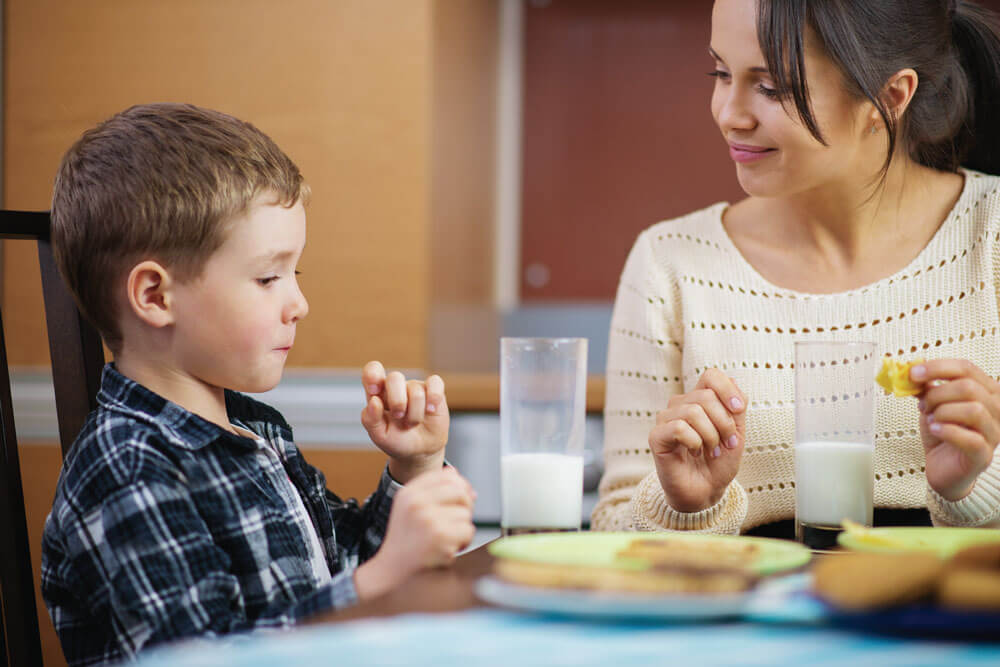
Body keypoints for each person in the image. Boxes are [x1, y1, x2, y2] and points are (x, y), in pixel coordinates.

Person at [40, 103, 476, 666]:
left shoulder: (254, 431)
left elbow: (340, 574)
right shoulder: (125, 466)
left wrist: (412, 471)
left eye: (297, 274)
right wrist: (380, 578)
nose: (299, 303)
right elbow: (199, 657)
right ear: (154, 296)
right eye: (269, 277)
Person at [592, 0, 1000, 535]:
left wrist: (972, 488)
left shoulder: (989, 235)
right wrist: (684, 507)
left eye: (771, 87)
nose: (729, 114)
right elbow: (611, 533)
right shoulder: (670, 263)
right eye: (721, 73)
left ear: (890, 96)